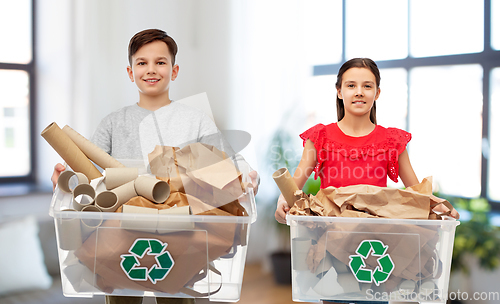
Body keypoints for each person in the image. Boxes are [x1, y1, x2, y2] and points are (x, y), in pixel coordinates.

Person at [52, 29, 258, 304]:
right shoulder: (114, 123)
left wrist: (247, 177)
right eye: (142, 63)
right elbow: (87, 174)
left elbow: (228, 166)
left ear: (174, 71)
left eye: (160, 62)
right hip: (121, 231)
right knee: (122, 297)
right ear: (130, 71)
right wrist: (65, 179)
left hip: (181, 230)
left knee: (177, 297)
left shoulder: (196, 120)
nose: (151, 69)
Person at [274, 58, 458, 304]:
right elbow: (295, 184)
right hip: (332, 244)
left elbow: (417, 194)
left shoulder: (392, 141)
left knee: (373, 298)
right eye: (351, 85)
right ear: (339, 91)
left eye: (367, 86)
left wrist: (441, 208)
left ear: (377, 93)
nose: (359, 92)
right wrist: (281, 200)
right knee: (335, 295)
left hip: (377, 247)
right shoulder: (320, 138)